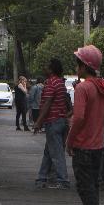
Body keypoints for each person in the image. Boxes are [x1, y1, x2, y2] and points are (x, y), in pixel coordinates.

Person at [66, 46, 104, 205]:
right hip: (98, 144)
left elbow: (78, 118)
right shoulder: (103, 87)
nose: (77, 67)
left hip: (83, 144)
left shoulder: (83, 88)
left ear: (85, 66)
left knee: (85, 186)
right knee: (92, 185)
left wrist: (70, 140)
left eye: (78, 64)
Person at [32, 58, 70, 189]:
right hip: (60, 120)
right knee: (49, 151)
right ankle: (41, 177)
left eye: (47, 67)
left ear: (52, 69)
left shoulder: (51, 83)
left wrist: (38, 122)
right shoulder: (60, 83)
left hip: (53, 121)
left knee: (56, 152)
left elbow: (47, 104)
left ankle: (63, 180)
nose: (45, 69)